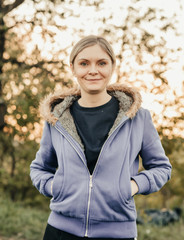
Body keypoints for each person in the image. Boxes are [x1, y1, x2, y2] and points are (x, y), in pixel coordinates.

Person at [30, 35, 172, 240]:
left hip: (117, 233)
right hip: (60, 231)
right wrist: (56, 187)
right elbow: (39, 168)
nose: (93, 70)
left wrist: (131, 186)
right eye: (84, 63)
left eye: (102, 63)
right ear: (73, 68)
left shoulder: (138, 118)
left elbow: (162, 168)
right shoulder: (56, 118)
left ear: (112, 66)